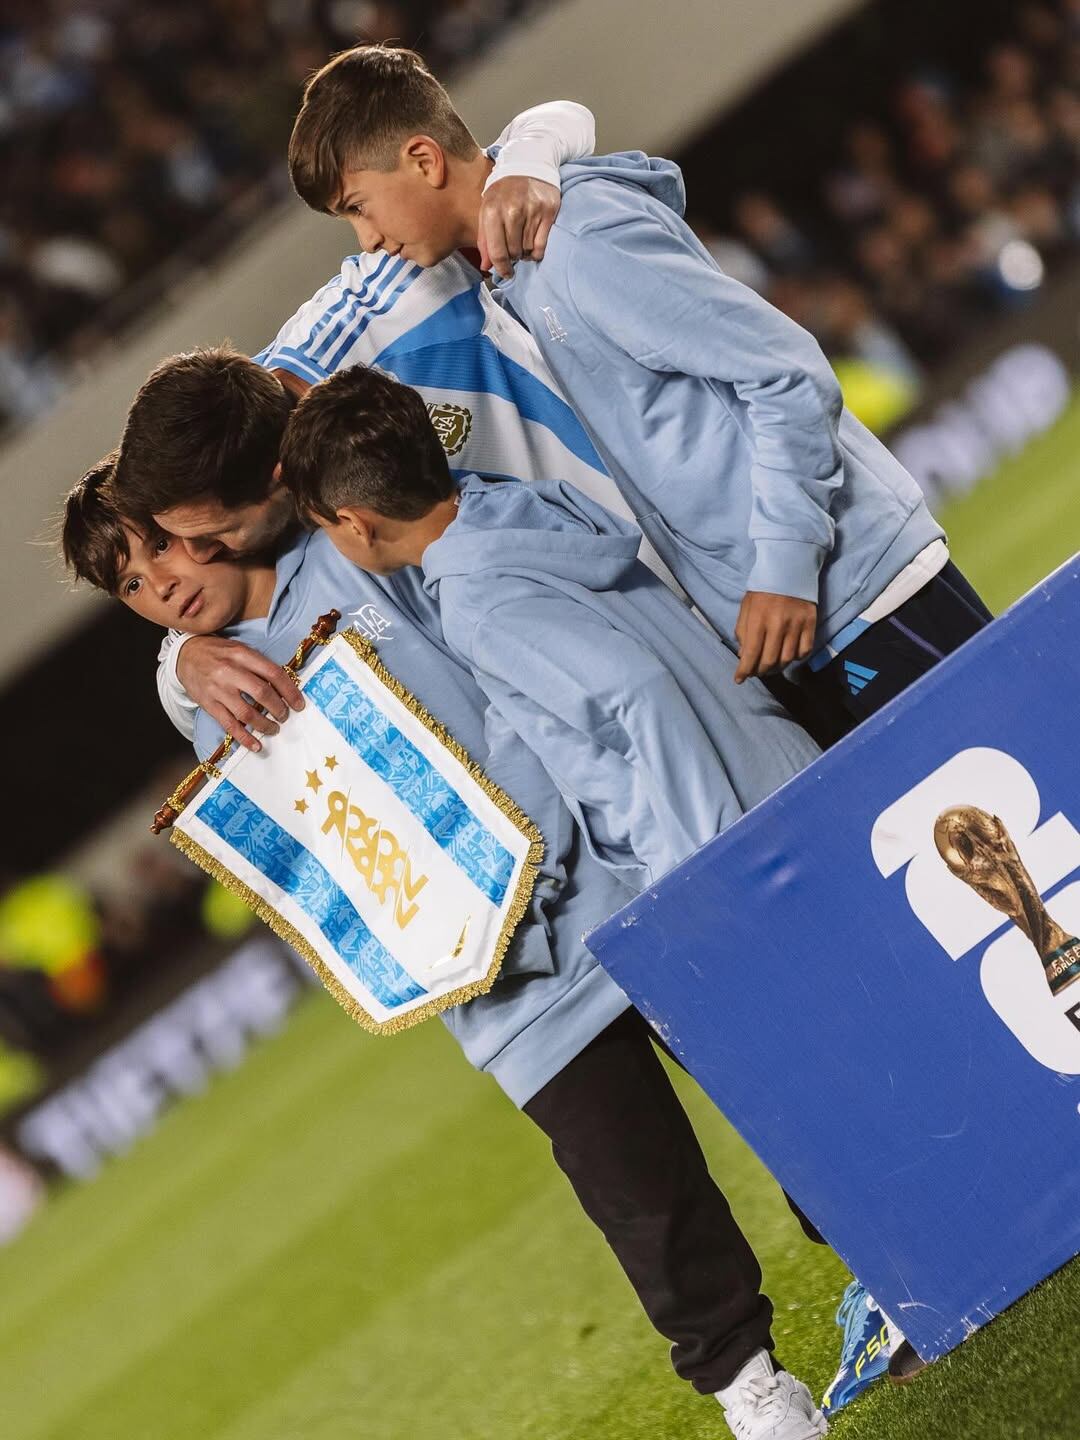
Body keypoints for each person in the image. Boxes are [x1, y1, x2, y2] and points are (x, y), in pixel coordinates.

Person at [61, 457, 829, 1440]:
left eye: (160, 544)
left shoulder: (346, 546)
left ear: (202, 512)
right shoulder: (200, 685)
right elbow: (181, 684)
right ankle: (752, 1390)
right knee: (643, 1202)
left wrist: (529, 848)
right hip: (500, 983)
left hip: (613, 884)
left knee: (778, 1080)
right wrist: (181, 660)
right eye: (131, 583)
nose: (160, 583)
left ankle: (885, 1250)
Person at [286, 44, 993, 751]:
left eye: (358, 208)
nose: (368, 240)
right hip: (800, 622)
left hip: (855, 594)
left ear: (422, 159)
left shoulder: (578, 240)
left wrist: (782, 564)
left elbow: (784, 373)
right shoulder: (516, 268)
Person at [111, 101, 685, 755]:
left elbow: (554, 122)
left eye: (213, 538)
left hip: (690, 569)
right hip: (612, 667)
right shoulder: (229, 452)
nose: (206, 558)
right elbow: (193, 608)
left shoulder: (391, 304)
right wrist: (185, 665)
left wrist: (523, 166)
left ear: (276, 483)